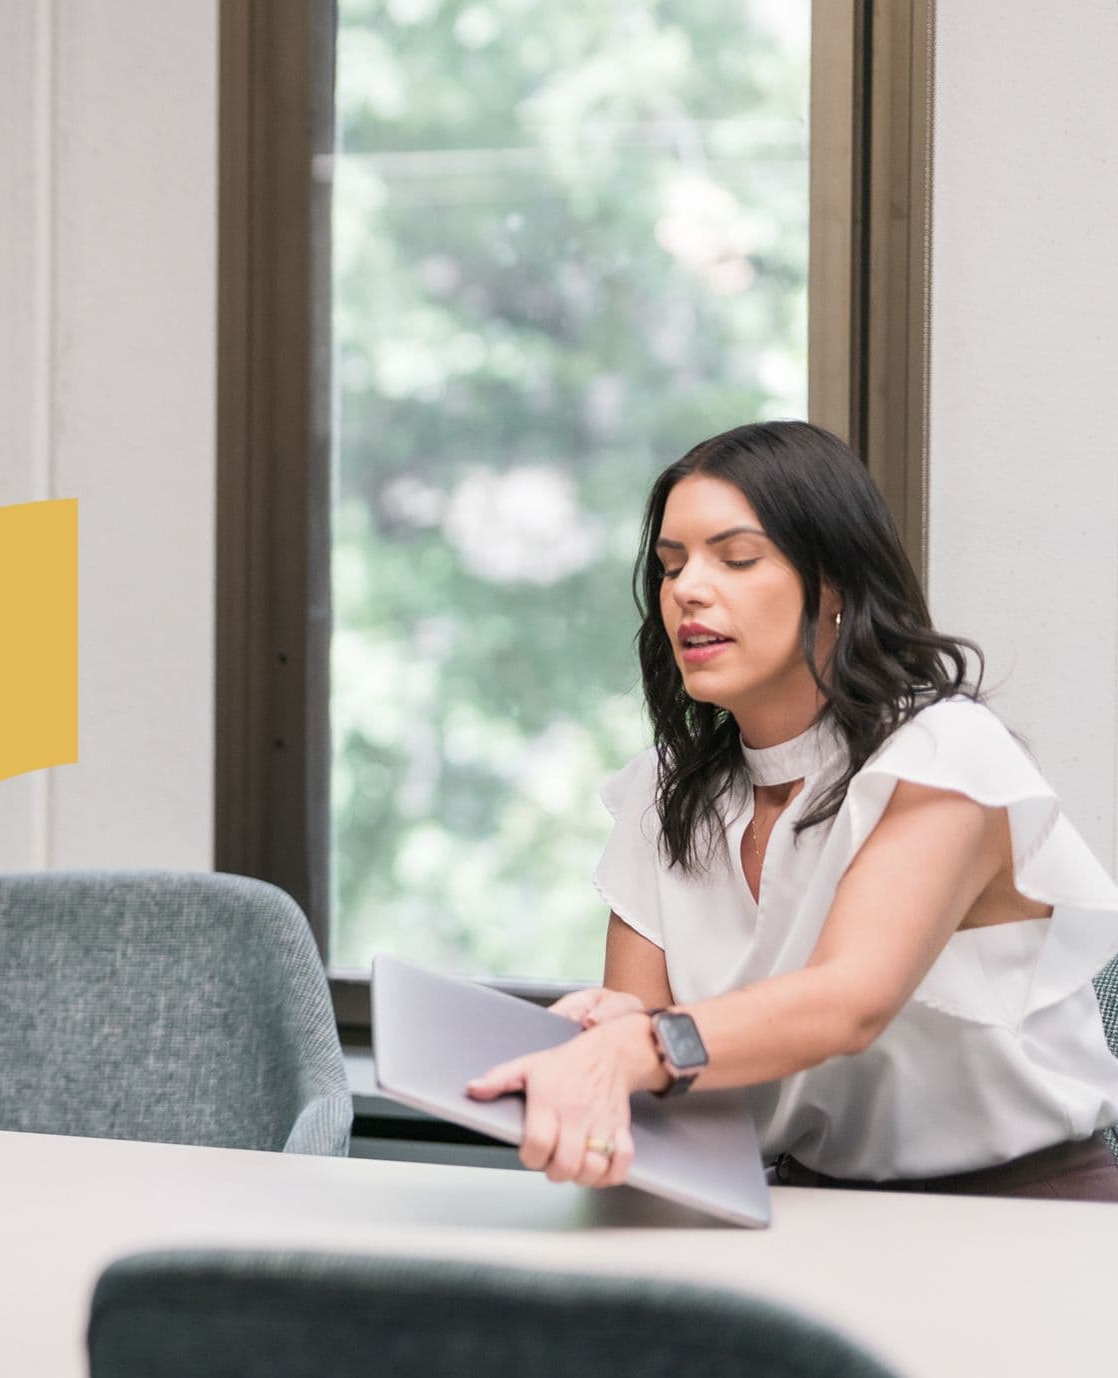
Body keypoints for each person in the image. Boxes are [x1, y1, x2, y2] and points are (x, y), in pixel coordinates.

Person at [469, 420, 1118, 1200]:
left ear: (835, 584)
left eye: (736, 559)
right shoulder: (664, 791)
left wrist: (641, 1046)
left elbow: (849, 1003)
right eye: (671, 567)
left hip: (1022, 1213)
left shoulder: (946, 755)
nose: (688, 591)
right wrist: (604, 1037)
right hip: (795, 1201)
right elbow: (648, 1046)